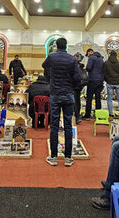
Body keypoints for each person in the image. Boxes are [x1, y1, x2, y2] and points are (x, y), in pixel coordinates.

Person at [42, 37, 80, 167]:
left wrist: (49, 78)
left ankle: (53, 157)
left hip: (55, 94)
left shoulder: (52, 57)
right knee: (68, 126)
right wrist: (72, 86)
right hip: (68, 94)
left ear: (56, 46)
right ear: (66, 46)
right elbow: (77, 77)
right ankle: (68, 157)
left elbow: (44, 66)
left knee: (54, 125)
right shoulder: (72, 59)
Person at [84, 48, 105, 119]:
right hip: (100, 81)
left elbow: (89, 68)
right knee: (98, 98)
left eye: (87, 55)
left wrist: (85, 68)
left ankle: (87, 115)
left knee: (89, 98)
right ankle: (98, 115)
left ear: (90, 52)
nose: (88, 56)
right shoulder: (100, 58)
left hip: (92, 80)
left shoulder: (92, 58)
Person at [104, 50, 119, 117]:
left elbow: (104, 73)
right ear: (116, 56)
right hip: (118, 83)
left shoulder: (106, 63)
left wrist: (107, 79)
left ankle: (111, 114)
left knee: (109, 99)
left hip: (110, 82)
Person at [74, 52, 88, 124]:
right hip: (78, 85)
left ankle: (76, 116)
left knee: (76, 101)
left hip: (75, 85)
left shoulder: (76, 66)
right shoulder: (81, 67)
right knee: (77, 101)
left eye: (77, 56)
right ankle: (77, 116)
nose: (77, 58)